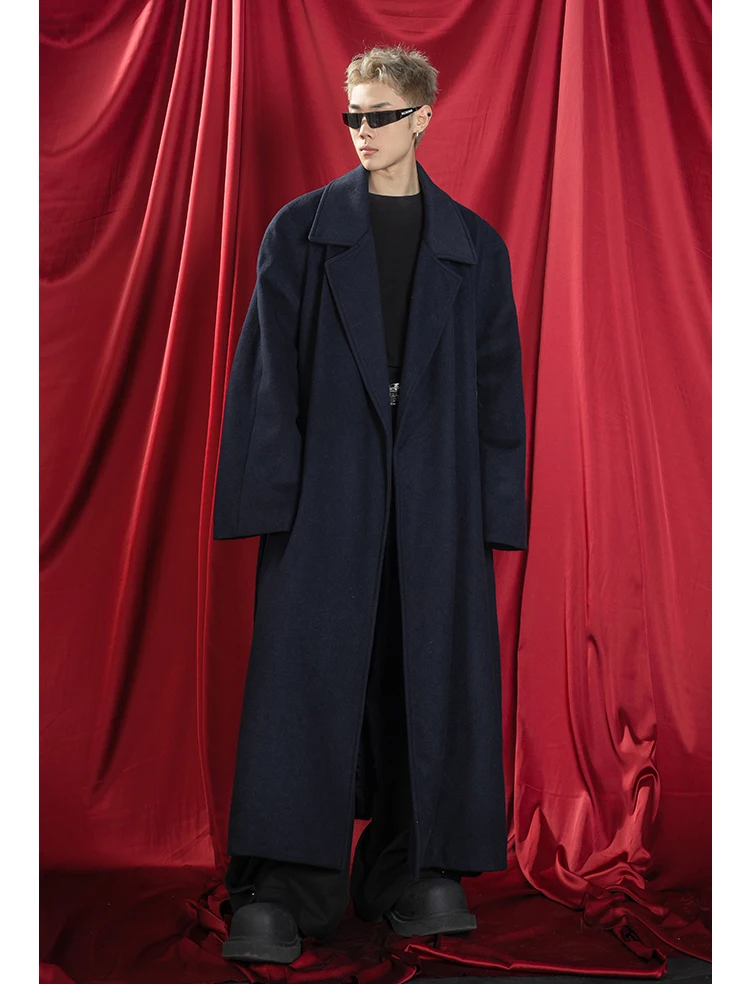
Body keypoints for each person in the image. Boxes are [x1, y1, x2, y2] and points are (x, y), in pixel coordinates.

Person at [214, 44, 528, 965]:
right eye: (352, 115)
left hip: (441, 495)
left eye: (380, 115)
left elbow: (498, 392)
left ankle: (417, 868)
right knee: (305, 671)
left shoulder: (475, 247)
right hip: (324, 489)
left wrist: (496, 513)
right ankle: (286, 882)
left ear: (422, 118)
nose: (362, 131)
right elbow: (266, 374)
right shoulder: (299, 232)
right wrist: (268, 501)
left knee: (427, 670)